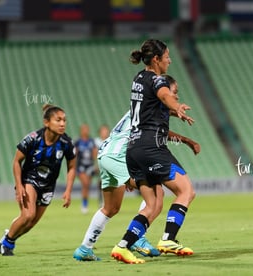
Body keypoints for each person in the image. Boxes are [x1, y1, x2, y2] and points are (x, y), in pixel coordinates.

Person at [73, 76, 200, 262]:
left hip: (106, 154)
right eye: (174, 92)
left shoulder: (142, 106)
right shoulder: (153, 107)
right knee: (156, 197)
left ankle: (85, 248)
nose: (176, 96)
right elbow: (161, 130)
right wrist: (187, 140)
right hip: (120, 155)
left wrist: (176, 112)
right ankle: (137, 239)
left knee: (110, 207)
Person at [110, 39, 196, 264]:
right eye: (167, 55)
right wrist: (176, 106)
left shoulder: (138, 78)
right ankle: (169, 238)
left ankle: (123, 246)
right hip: (152, 147)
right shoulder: (157, 80)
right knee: (186, 191)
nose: (170, 59)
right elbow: (165, 96)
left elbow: (152, 106)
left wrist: (174, 112)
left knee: (153, 205)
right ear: (156, 59)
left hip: (134, 149)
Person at [0, 104, 76, 256]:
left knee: (31, 223)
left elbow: (72, 167)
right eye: (58, 120)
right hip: (29, 180)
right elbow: (16, 162)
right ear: (47, 122)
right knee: (28, 215)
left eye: (64, 120)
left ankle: (6, 237)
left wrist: (68, 190)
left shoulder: (66, 143)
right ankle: (7, 245)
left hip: (48, 186)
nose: (62, 123)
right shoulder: (33, 139)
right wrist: (19, 186)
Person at [75, 124, 97, 214]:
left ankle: (85, 203)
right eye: (84, 129)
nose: (86, 131)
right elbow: (75, 155)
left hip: (90, 166)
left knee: (87, 186)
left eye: (87, 129)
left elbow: (95, 152)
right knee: (85, 183)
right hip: (81, 166)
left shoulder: (91, 141)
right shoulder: (78, 141)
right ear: (81, 130)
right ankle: (84, 204)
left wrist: (96, 165)